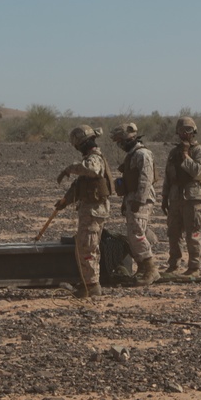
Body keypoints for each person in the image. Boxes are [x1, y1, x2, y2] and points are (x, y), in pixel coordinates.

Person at [55, 125, 112, 298]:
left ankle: (92, 286)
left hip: (94, 211)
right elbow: (79, 187)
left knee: (88, 247)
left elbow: (91, 169)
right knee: (86, 246)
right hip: (91, 210)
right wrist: (64, 202)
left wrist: (69, 168)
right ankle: (88, 282)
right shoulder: (90, 158)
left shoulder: (94, 159)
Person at [110, 122, 160, 286]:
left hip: (141, 199)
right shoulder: (133, 154)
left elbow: (146, 179)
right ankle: (142, 268)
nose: (120, 145)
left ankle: (151, 269)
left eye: (121, 142)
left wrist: (139, 200)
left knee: (137, 234)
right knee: (134, 234)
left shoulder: (143, 154)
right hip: (133, 197)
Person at [161, 116, 201, 276]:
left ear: (193, 131)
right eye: (181, 130)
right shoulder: (174, 152)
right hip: (175, 198)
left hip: (192, 198)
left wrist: (186, 155)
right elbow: (168, 177)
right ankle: (174, 264)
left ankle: (194, 266)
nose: (184, 133)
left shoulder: (199, 151)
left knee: (192, 233)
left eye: (188, 130)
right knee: (173, 233)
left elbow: (196, 170)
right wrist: (164, 197)